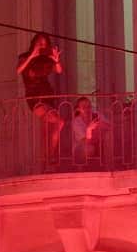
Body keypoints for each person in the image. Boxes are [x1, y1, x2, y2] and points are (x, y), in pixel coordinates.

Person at [17, 32, 64, 161]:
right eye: (39, 43)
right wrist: (32, 56)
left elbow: (59, 70)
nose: (41, 46)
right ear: (34, 43)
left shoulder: (47, 58)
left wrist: (56, 60)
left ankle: (49, 156)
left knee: (50, 127)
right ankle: (49, 156)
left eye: (44, 44)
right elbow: (19, 70)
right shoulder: (25, 56)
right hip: (34, 97)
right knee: (58, 122)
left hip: (48, 95)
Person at [69, 97, 111, 164]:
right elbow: (85, 142)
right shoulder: (76, 122)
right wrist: (89, 130)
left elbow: (111, 127)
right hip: (81, 148)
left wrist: (101, 124)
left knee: (109, 136)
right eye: (84, 106)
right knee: (90, 148)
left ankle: (109, 166)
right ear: (78, 109)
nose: (87, 109)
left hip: (99, 144)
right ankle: (82, 169)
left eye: (89, 106)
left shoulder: (97, 115)